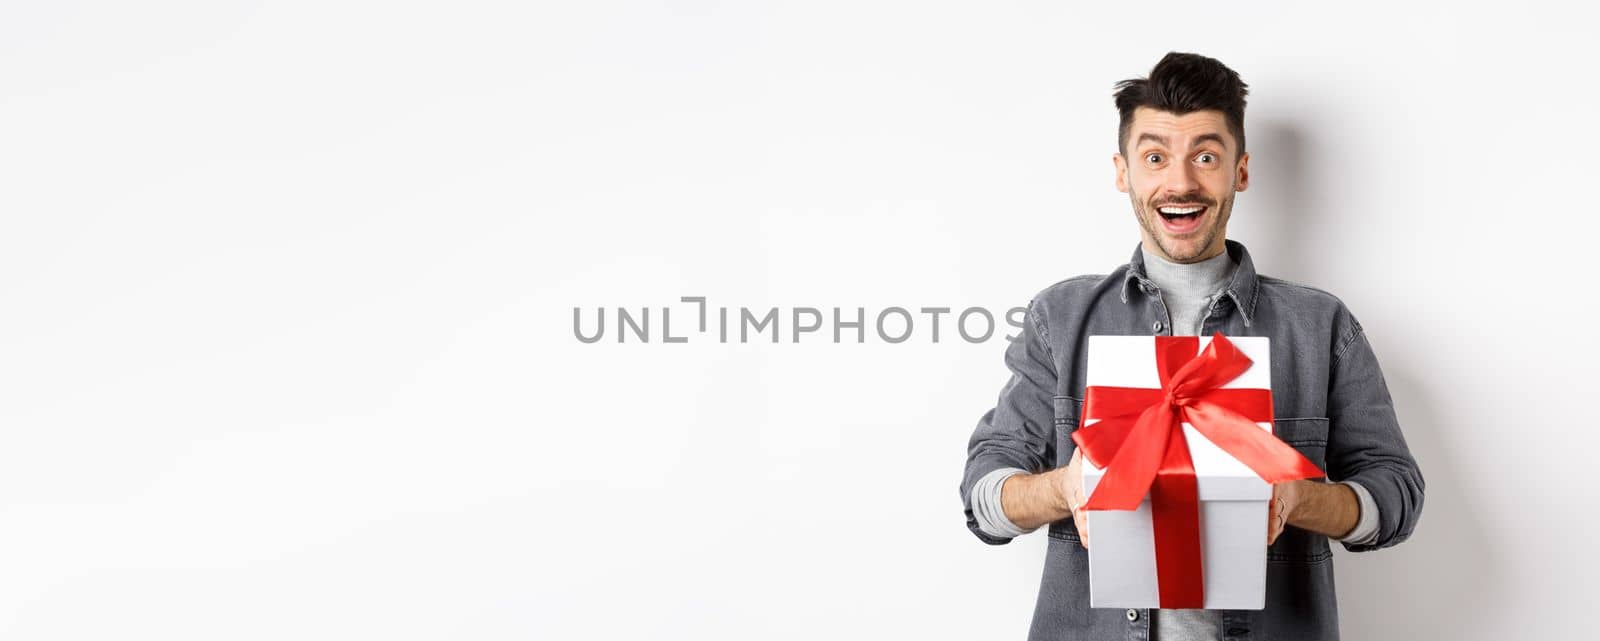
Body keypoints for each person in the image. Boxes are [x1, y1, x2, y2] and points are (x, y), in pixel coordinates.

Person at [958, 52, 1425, 641]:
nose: (1180, 183)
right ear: (1123, 171)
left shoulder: (1319, 325)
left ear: (1241, 170)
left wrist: (1296, 499)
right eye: (1155, 157)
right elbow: (983, 499)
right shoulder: (1060, 318)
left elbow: (1397, 497)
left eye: (1206, 157)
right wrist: (1063, 487)